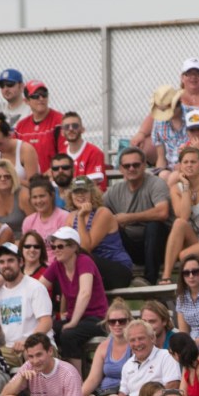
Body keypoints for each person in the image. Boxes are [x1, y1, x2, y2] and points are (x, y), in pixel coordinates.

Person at [39, 226, 108, 370]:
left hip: (97, 318)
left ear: (74, 247)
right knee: (47, 331)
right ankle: (56, 373)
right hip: (74, 317)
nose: (55, 250)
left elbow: (85, 293)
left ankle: (76, 380)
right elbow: (37, 287)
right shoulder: (57, 265)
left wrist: (73, 321)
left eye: (60, 246)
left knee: (69, 335)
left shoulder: (84, 261)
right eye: (53, 246)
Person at [103, 147, 170, 286]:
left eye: (136, 165)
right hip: (131, 248)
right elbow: (97, 211)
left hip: (159, 246)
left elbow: (162, 212)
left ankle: (150, 280)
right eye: (127, 166)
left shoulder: (156, 183)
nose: (131, 168)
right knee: (111, 228)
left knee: (154, 226)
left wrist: (128, 218)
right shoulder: (115, 191)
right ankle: (116, 279)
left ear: (144, 165)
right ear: (121, 169)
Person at [0, 241, 53, 370]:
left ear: (21, 262)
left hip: (38, 347)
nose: (6, 265)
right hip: (10, 351)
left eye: (10, 260)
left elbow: (46, 322)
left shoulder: (35, 287)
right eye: (1, 262)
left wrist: (27, 341)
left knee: (31, 357)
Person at [66, 177, 134, 290]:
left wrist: (81, 217)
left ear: (92, 193)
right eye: (76, 192)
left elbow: (85, 248)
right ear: (71, 195)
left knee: (81, 259)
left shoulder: (103, 213)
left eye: (84, 191)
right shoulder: (70, 216)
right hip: (89, 269)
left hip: (117, 269)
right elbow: (66, 247)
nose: (80, 195)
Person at [111, 320, 180, 396]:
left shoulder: (165, 356)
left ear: (152, 338)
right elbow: (123, 392)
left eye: (141, 338)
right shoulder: (127, 365)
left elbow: (172, 387)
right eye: (132, 340)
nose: (137, 344)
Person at [82, 298, 133, 396]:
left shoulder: (135, 345)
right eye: (112, 321)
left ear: (129, 322)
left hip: (122, 393)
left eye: (121, 321)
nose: (117, 324)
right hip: (103, 392)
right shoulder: (103, 347)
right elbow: (93, 379)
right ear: (107, 323)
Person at [14, 80, 63, 173]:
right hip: (28, 181)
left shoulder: (59, 121)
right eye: (35, 96)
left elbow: (64, 156)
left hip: (54, 179)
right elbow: (13, 155)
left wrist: (44, 179)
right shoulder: (21, 126)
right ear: (26, 101)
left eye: (44, 94)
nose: (41, 98)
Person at [0, 159, 32, 248]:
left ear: (13, 177)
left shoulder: (24, 195)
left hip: (24, 243)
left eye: (7, 176)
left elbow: (35, 225)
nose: (2, 179)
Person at [21, 176, 69, 254]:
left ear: (52, 195)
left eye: (42, 196)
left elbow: (65, 251)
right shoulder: (28, 221)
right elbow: (25, 250)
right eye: (34, 197)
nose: (38, 201)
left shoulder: (64, 217)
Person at [0, 117, 38, 189]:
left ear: (9, 135)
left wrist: (11, 178)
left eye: (0, 144)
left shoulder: (26, 150)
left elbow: (35, 185)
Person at [174, 254, 199, 345]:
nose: (191, 276)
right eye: (186, 273)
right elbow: (183, 332)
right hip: (191, 344)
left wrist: (194, 343)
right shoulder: (181, 298)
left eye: (195, 272)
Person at [59, 112, 106, 187]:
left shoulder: (94, 152)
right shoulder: (61, 155)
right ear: (62, 132)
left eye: (75, 126)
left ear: (82, 129)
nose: (71, 129)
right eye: (67, 127)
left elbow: (91, 186)